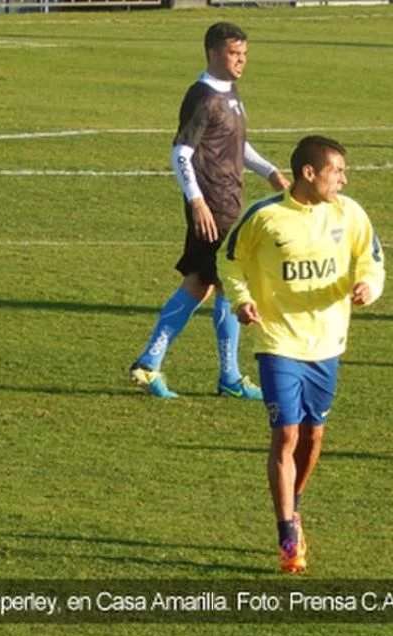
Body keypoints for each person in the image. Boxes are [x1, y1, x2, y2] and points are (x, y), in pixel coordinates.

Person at [218, 136, 386, 573]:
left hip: (328, 342)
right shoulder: (265, 217)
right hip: (278, 341)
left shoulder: (349, 214)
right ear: (309, 173)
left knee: (313, 438)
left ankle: (294, 503)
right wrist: (240, 299)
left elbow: (371, 260)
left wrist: (370, 286)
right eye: (337, 171)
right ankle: (287, 535)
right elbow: (230, 260)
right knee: (286, 435)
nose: (344, 180)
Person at [129, 22, 290, 399]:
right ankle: (159, 366)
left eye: (245, 55)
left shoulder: (230, 92)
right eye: (235, 54)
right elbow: (181, 152)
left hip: (228, 200)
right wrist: (196, 200)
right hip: (213, 205)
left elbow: (238, 145)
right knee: (217, 285)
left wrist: (270, 172)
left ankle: (214, 374)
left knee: (212, 285)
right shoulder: (202, 96)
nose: (241, 61)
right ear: (214, 53)